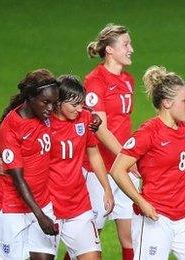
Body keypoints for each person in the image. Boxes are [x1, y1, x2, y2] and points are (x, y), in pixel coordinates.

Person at [109, 66, 185, 260]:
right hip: (156, 216)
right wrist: (140, 201)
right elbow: (117, 169)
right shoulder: (149, 132)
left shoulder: (183, 127)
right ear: (167, 103)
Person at [0, 69, 59, 260]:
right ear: (29, 97)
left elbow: (72, 104)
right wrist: (40, 216)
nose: (51, 109)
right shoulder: (11, 128)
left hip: (42, 202)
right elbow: (18, 180)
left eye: (54, 102)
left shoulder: (45, 114)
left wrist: (91, 116)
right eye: (46, 102)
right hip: (10, 209)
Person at [83, 23, 136, 259]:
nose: (131, 49)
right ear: (110, 50)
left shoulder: (128, 80)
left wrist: (127, 159)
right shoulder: (95, 81)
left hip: (122, 167)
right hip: (100, 170)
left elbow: (123, 123)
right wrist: (127, 156)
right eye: (126, 44)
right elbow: (100, 129)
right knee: (90, 238)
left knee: (130, 237)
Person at [49, 75, 114, 260]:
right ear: (58, 101)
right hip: (48, 207)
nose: (79, 109)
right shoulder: (44, 123)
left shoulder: (85, 118)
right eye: (74, 104)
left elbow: (93, 153)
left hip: (78, 205)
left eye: (81, 104)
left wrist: (107, 188)